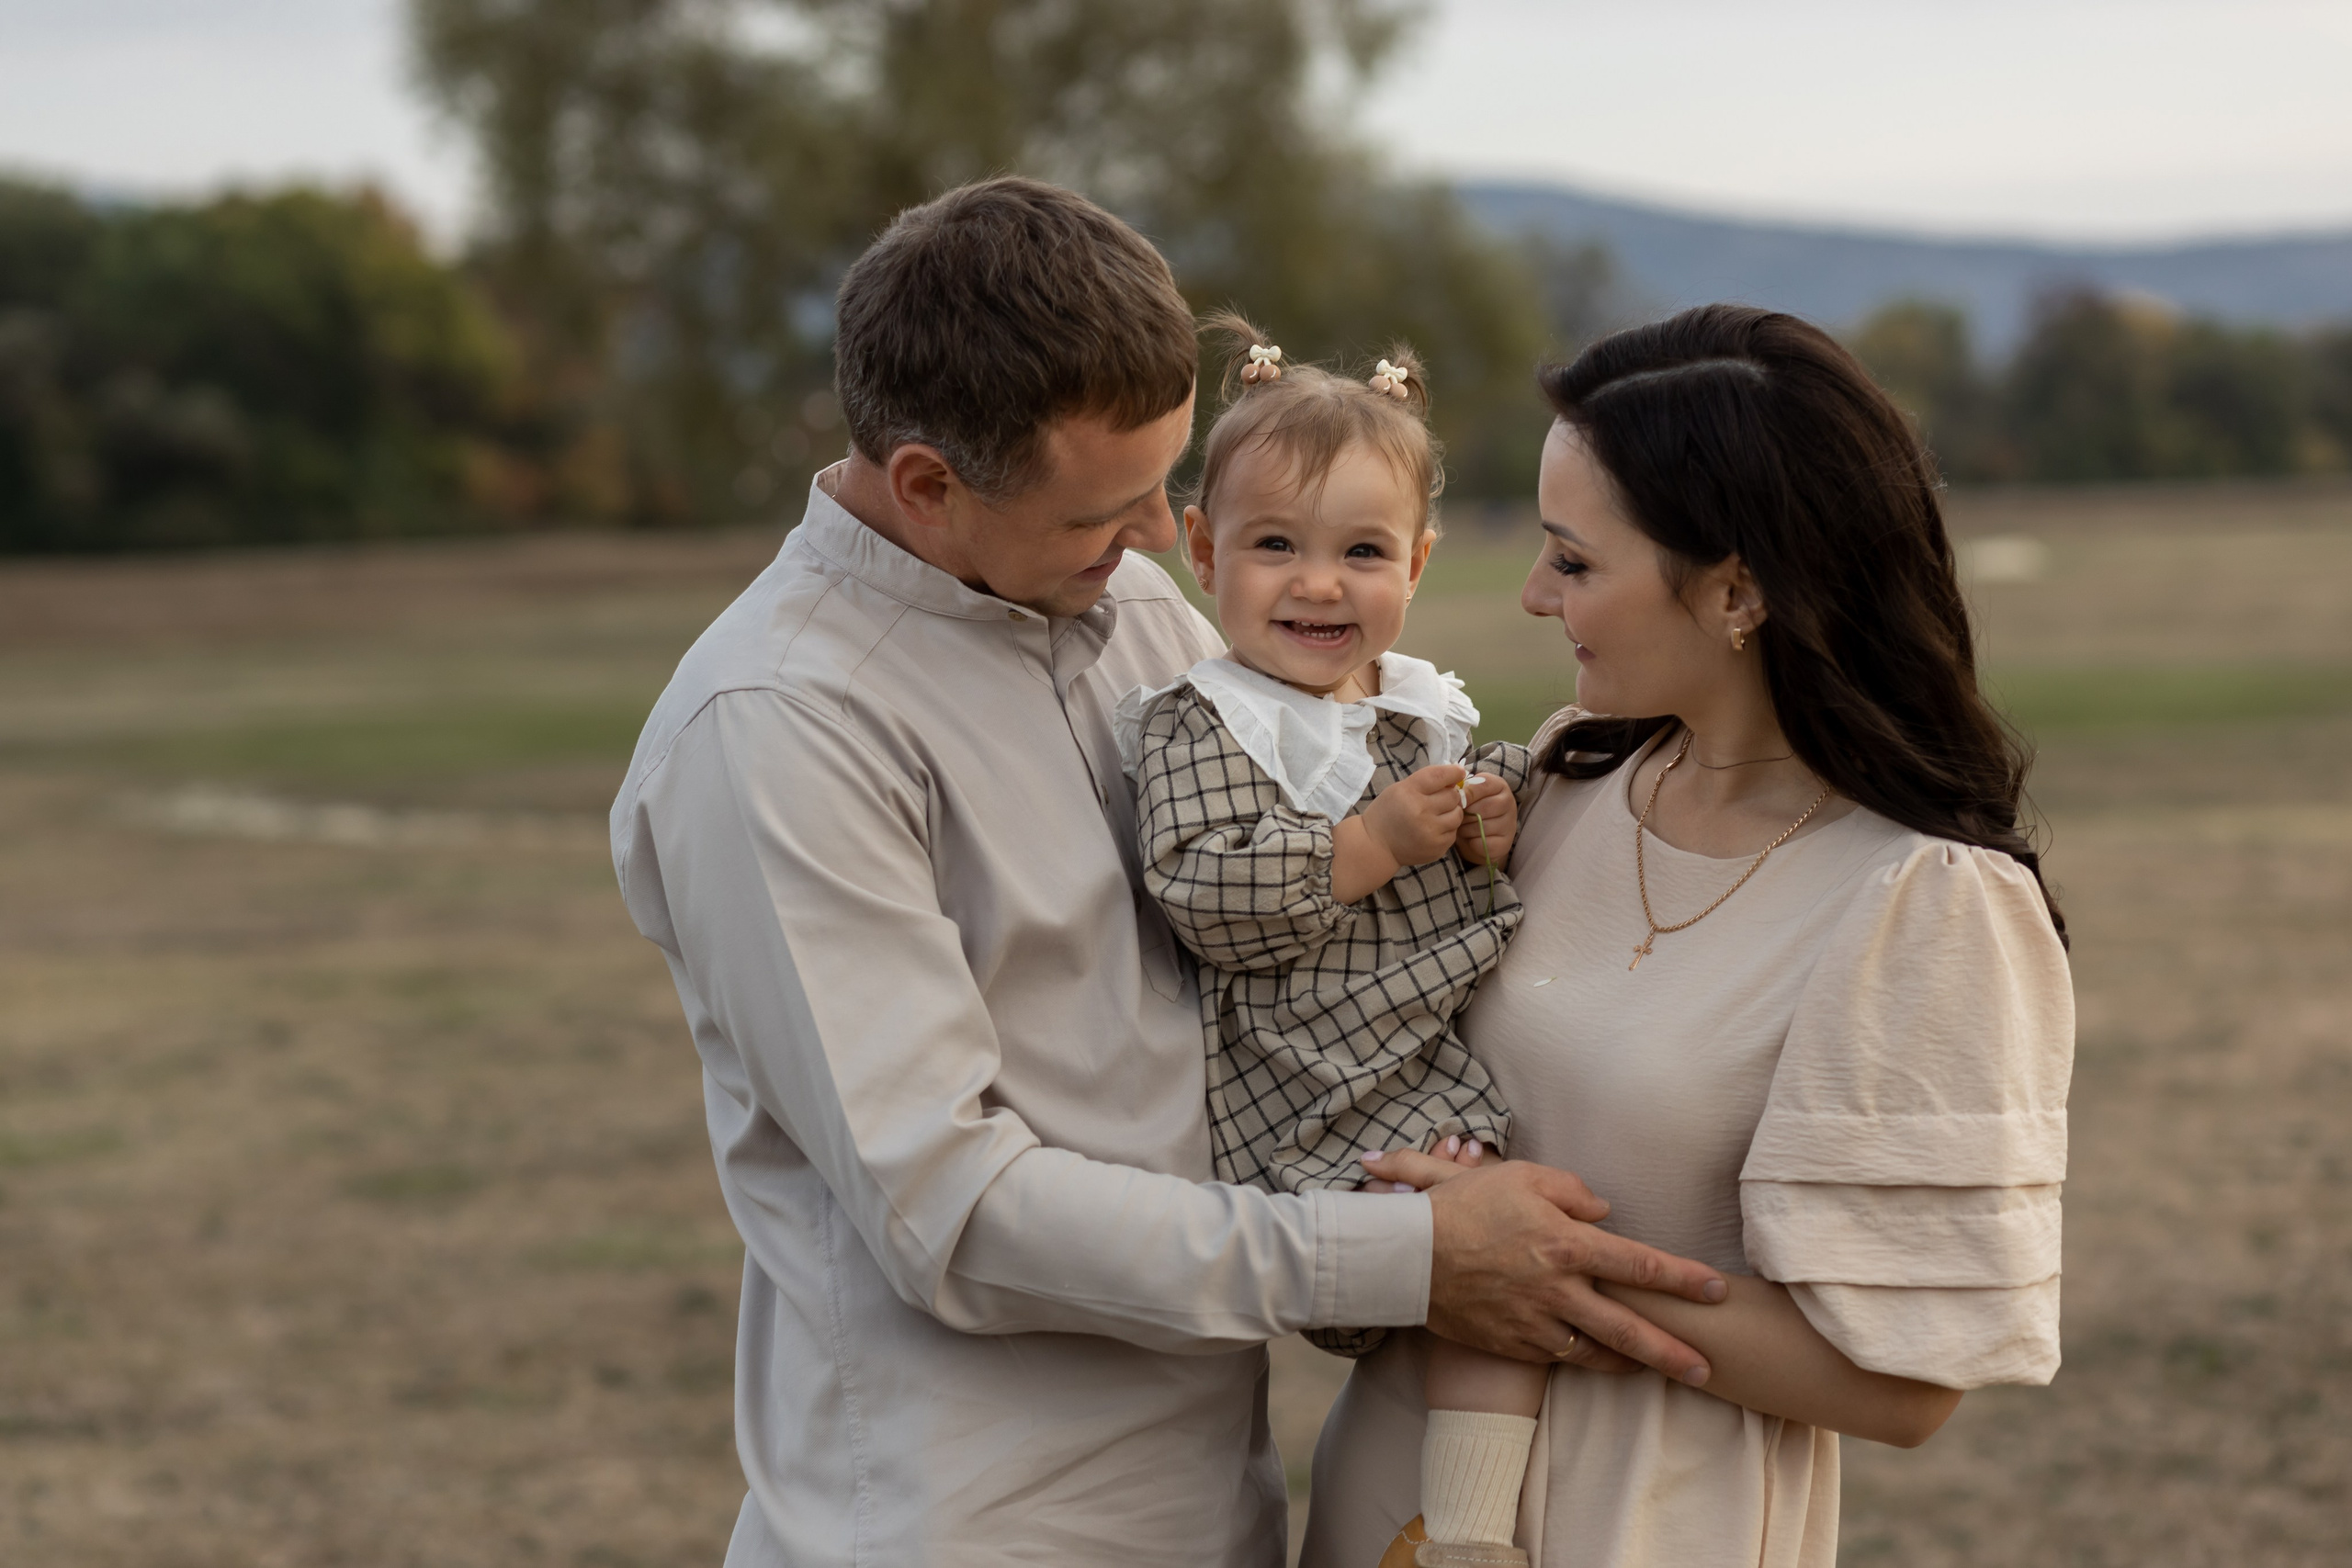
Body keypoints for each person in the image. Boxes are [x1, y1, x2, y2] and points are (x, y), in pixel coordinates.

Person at [608, 176, 1731, 1568]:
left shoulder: (1120, 595)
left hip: (1213, 1496)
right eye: (1115, 505)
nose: (1161, 540)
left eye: (1169, 485)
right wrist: (1410, 1262)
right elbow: (950, 1212)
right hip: (959, 1528)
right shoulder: (777, 729)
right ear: (926, 486)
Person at [1306, 304, 2076, 1568]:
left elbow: (1903, 1387)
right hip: (1388, 1488)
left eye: (1574, 560)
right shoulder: (1555, 783)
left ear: (1737, 589)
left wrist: (1530, 1272)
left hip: (1645, 1523)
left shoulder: (1922, 902)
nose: (1534, 595)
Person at [1116, 316, 1557, 1567]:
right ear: (1203, 552)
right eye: (1275, 547)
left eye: (1361, 551)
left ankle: (1452, 1511)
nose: (1319, 584)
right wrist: (1364, 847)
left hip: (1426, 1064)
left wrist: (1490, 815)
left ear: (1415, 563)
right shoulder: (1200, 723)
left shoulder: (1417, 708)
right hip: (1307, 1091)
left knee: (1519, 1244)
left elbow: (1484, 813)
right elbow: (1199, 889)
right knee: (1483, 1244)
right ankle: (1469, 1537)